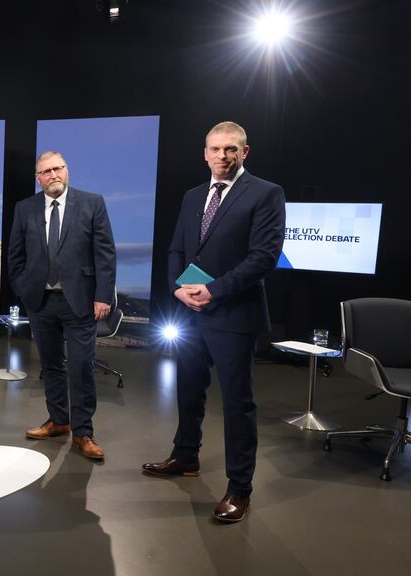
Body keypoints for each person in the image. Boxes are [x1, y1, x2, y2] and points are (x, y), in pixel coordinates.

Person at [142, 121, 285, 524]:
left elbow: (264, 257)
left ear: (245, 152)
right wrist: (177, 289)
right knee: (189, 391)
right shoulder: (192, 196)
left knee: (238, 405)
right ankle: (186, 457)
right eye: (215, 149)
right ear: (204, 153)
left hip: (233, 315)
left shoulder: (265, 193)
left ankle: (240, 489)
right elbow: (176, 249)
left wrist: (214, 291)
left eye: (230, 149)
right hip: (189, 312)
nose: (222, 156)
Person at [6, 151, 116, 460]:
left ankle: (83, 432)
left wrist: (103, 296)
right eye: (46, 171)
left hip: (79, 300)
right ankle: (59, 420)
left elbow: (105, 254)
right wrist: (23, 289)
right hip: (41, 302)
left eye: (58, 169)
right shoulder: (24, 208)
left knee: (81, 367)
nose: (53, 175)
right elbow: (15, 256)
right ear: (38, 178)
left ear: (66, 171)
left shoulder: (92, 203)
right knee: (51, 365)